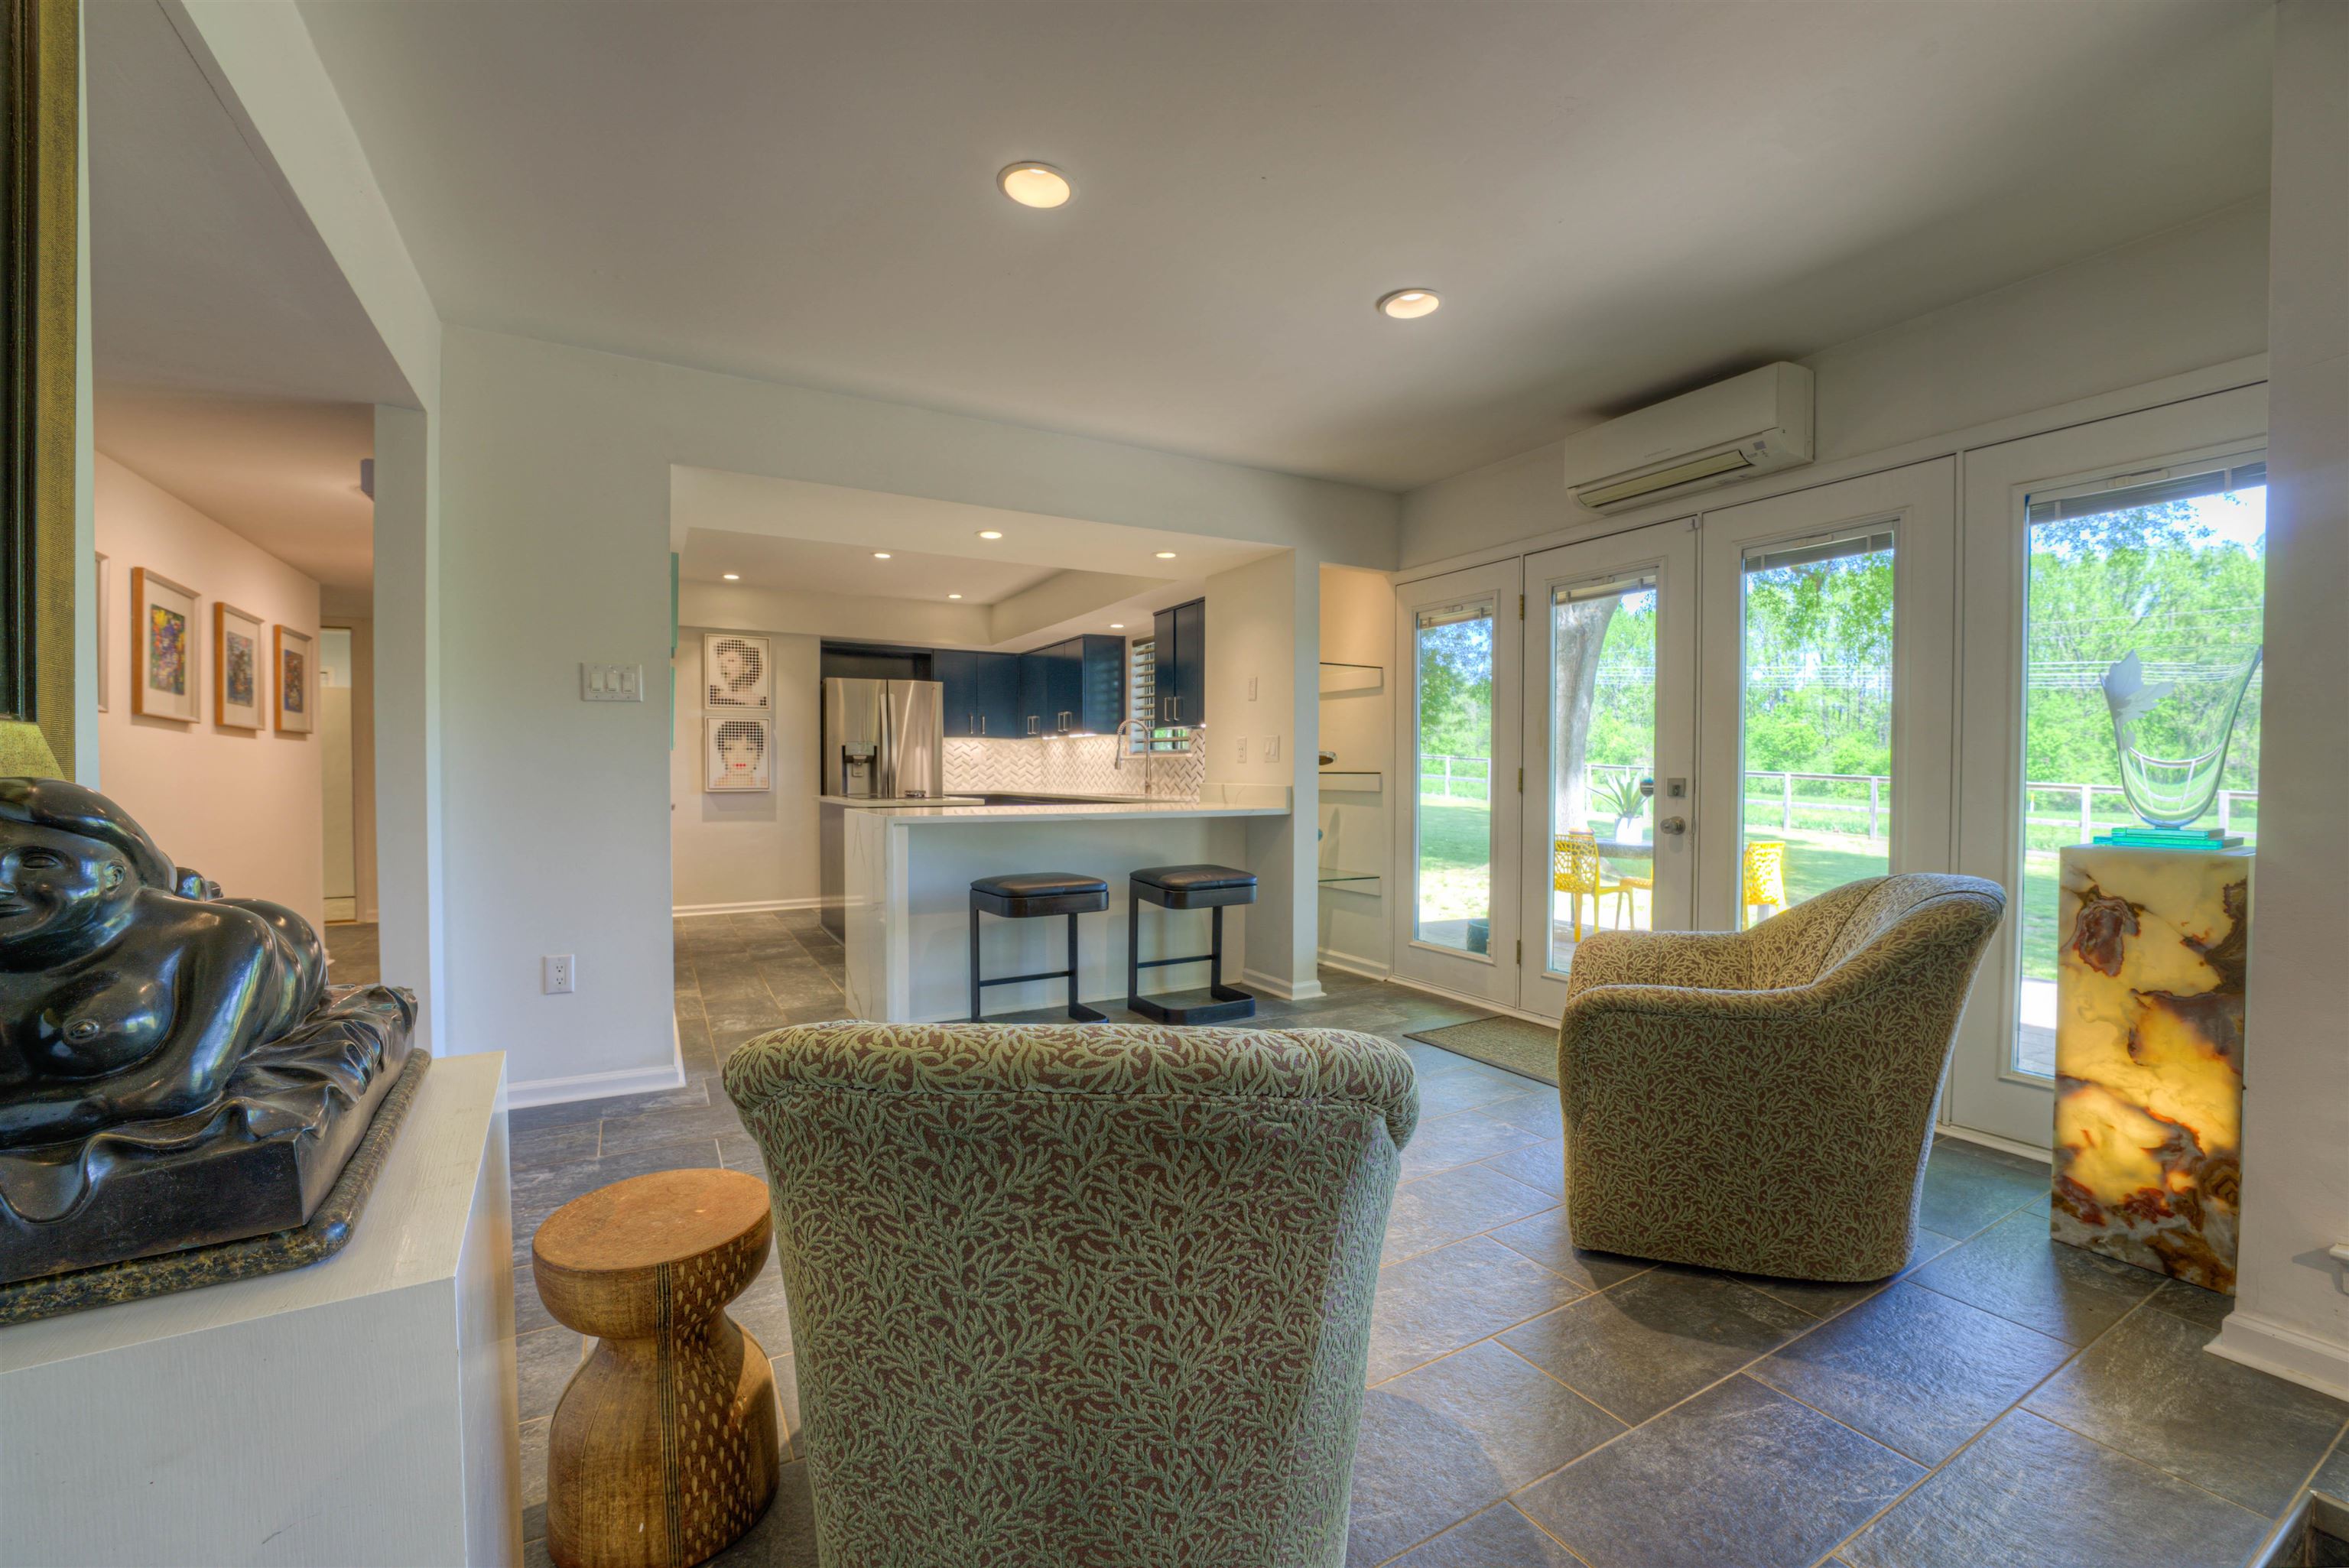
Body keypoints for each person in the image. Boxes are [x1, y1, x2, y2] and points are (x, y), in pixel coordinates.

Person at [0, 779, 327, 1149]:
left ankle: (191, 892)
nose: (2, 884)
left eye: (38, 863)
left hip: (288, 943)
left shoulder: (224, 936)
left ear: (114, 876)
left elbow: (180, 1086)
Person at [707, 637, 765, 708]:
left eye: (731, 661)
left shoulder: (761, 701)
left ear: (747, 666)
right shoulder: (714, 695)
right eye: (721, 663)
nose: (724, 667)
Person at [714, 719, 768, 784]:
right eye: (730, 749)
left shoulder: (763, 783)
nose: (739, 757)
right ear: (722, 753)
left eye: (749, 749)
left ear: (759, 752)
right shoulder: (717, 783)